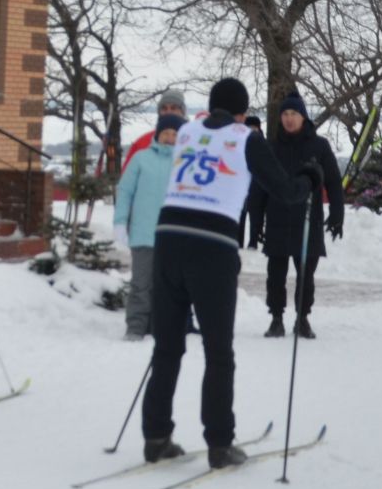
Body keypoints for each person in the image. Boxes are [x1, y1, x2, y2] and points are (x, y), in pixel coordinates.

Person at [142, 78, 312, 467]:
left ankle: (155, 436)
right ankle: (220, 443)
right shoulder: (244, 137)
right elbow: (285, 191)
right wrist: (309, 178)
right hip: (212, 246)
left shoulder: (185, 131)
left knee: (166, 348)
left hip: (168, 240)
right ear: (241, 112)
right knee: (218, 352)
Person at [257, 93, 344, 339]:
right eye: (285, 114)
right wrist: (257, 221)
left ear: (303, 117)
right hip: (277, 217)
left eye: (293, 114)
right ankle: (276, 318)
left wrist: (337, 213)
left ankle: (302, 318)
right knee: (275, 274)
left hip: (308, 218)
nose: (288, 119)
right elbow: (261, 185)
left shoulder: (319, 146)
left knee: (306, 273)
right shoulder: (272, 146)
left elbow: (334, 182)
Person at [114, 107, 187, 341]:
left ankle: (158, 326)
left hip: (171, 236)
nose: (170, 137)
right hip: (143, 234)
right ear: (158, 134)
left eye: (175, 134)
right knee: (140, 285)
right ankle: (135, 326)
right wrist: (120, 222)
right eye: (166, 132)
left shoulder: (183, 163)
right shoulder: (140, 159)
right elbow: (125, 191)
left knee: (164, 287)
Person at [120, 88, 187, 172]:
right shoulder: (143, 142)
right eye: (164, 108)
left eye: (173, 108)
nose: (168, 112)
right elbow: (127, 175)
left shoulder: (193, 140)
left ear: (183, 112)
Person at [242, 115, 266, 250]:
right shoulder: (240, 142)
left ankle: (254, 241)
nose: (251, 131)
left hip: (257, 185)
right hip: (242, 186)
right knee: (240, 215)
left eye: (254, 128)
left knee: (256, 216)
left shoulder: (263, 144)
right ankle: (238, 242)